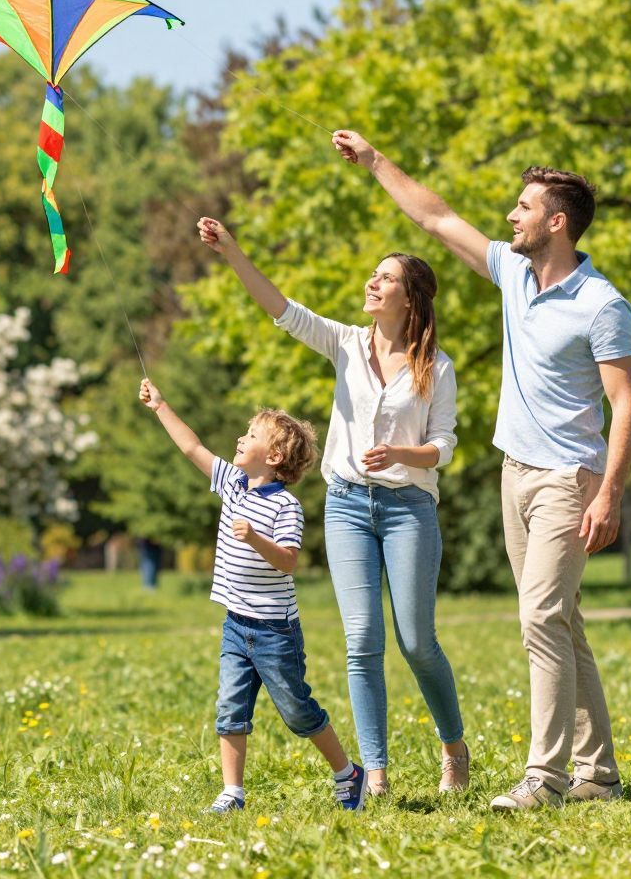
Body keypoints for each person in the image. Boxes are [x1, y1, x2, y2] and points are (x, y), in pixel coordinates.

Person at [332, 131, 631, 811]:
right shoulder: (512, 274)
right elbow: (435, 218)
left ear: (555, 222)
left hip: (571, 479)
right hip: (517, 474)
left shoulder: (602, 304)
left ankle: (545, 779)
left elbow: (625, 404)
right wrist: (379, 161)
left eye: (524, 207)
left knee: (539, 619)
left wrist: (609, 494)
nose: (511, 216)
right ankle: (600, 775)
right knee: (562, 622)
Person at [197, 219, 471, 800]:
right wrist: (232, 252)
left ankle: (453, 749)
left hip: (408, 507)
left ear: (410, 296)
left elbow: (443, 446)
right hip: (347, 505)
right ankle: (374, 772)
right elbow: (282, 308)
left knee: (417, 640)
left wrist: (401, 452)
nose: (372, 283)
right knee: (361, 637)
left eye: (386, 277)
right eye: (374, 275)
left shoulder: (436, 367)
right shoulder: (345, 343)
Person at [138, 378, 367, 812]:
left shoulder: (286, 507)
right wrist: (161, 406)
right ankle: (233, 793)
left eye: (252, 435)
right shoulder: (232, 484)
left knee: (298, 711)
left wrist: (255, 538)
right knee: (230, 707)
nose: (240, 438)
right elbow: (192, 448)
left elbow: (288, 561)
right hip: (235, 625)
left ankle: (347, 773)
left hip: (274, 631)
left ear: (275, 457)